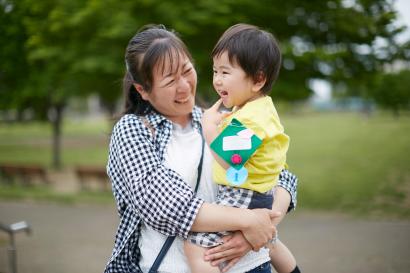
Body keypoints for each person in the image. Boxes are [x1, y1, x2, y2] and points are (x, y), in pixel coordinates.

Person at [104, 24, 298, 273]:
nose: (184, 86)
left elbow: (280, 174)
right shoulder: (133, 130)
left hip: (253, 265)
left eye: (187, 71)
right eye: (170, 80)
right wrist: (249, 221)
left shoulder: (219, 118)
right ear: (143, 90)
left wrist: (258, 231)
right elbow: (166, 205)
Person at [185, 23, 300, 273]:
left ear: (258, 79)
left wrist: (209, 129)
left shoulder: (251, 118)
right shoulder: (257, 109)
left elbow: (231, 160)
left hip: (244, 193)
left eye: (226, 72)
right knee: (269, 240)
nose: (217, 80)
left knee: (195, 245)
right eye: (215, 71)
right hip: (257, 191)